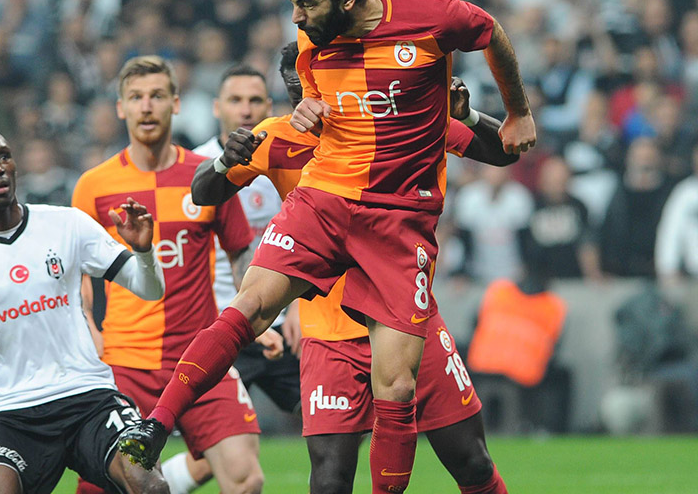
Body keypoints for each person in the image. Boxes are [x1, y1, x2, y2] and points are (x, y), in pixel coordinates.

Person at [117, 0, 536, 494]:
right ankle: (153, 425)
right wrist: (224, 160)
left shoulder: (424, 27)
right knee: (325, 465)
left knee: (457, 448)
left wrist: (509, 113)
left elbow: (496, 133)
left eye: (306, 3)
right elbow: (204, 190)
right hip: (327, 239)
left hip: (397, 229)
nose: (296, 16)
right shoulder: (281, 124)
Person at [191, 44, 515, 493]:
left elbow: (505, 151)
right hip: (329, 333)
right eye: (295, 89)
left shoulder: (398, 123)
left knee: (472, 461)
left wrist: (468, 114)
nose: (307, 95)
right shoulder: (276, 138)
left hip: (408, 320)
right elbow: (202, 194)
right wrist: (226, 159)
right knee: (330, 480)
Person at [73, 56, 279, 494]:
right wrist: (88, 329)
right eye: (136, 97)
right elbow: (76, 274)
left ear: (176, 104)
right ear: (120, 108)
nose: (147, 106)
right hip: (126, 362)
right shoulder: (94, 185)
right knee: (106, 485)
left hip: (200, 358)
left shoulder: (207, 178)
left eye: (157, 96)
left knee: (246, 479)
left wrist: (262, 315)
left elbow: (242, 253)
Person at [0, 128, 169, 494]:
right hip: (12, 412)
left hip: (89, 398)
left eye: (3, 156)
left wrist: (145, 252)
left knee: (147, 482)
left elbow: (150, 290)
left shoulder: (65, 224)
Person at [164, 64, 297, 494]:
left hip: (277, 320)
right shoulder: (199, 169)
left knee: (333, 417)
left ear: (269, 107)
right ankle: (150, 480)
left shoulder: (285, 156)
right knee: (226, 454)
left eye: (256, 100)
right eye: (236, 100)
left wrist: (295, 307)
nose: (246, 109)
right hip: (221, 328)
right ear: (217, 107)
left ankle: (155, 479)